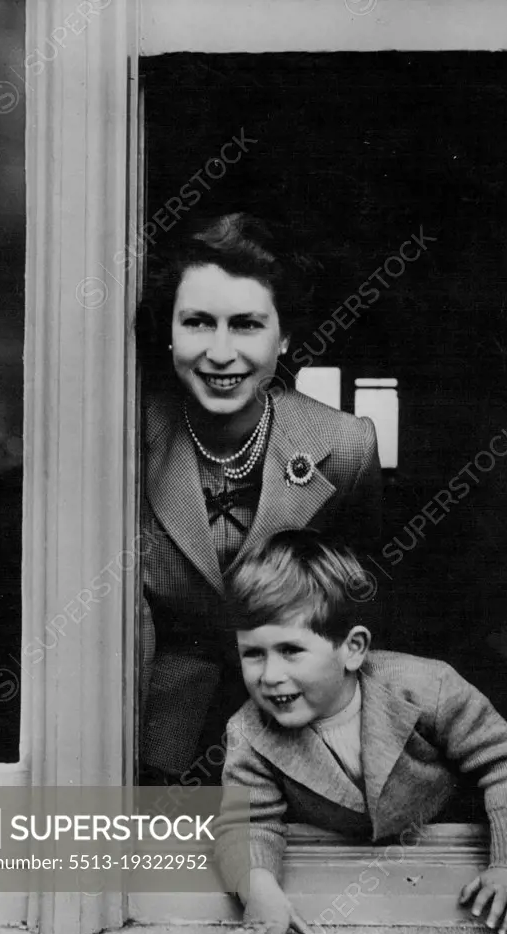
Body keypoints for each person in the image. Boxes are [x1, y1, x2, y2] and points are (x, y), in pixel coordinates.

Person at [137, 214, 382, 783]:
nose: (221, 353)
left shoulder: (346, 447)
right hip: (153, 730)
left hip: (297, 727)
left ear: (286, 336)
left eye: (247, 325)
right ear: (170, 331)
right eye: (198, 323)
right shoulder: (128, 440)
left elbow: (362, 611)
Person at [214, 530, 507, 934]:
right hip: (351, 874)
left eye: (291, 650)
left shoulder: (427, 687)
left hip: (446, 855)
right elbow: (248, 823)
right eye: (253, 654)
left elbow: (506, 761)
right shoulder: (249, 732)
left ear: (352, 649)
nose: (270, 675)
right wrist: (260, 891)